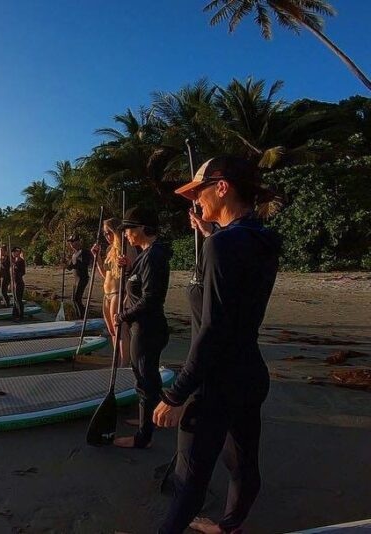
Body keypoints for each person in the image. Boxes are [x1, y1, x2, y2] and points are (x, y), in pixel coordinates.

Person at [153, 157, 281, 534]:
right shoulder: (259, 240)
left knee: (188, 480)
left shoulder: (223, 247)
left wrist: (176, 395)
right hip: (249, 374)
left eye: (199, 192)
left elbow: (212, 331)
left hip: (215, 382)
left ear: (222, 187)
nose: (195, 203)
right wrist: (213, 233)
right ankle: (230, 527)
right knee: (242, 465)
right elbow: (237, 293)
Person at [111, 206, 172, 449]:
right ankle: (148, 417)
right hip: (144, 327)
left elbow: (150, 299)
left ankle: (143, 437)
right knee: (148, 379)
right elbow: (139, 285)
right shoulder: (146, 254)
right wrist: (130, 266)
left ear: (144, 229)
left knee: (145, 381)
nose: (125, 234)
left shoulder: (154, 256)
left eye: (129, 229)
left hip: (147, 328)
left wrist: (122, 315)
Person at [92, 218, 137, 366]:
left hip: (119, 293)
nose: (106, 236)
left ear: (116, 231)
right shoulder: (110, 250)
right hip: (107, 293)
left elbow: (134, 271)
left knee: (120, 330)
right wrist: (97, 258)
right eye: (104, 234)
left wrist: (127, 264)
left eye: (109, 233)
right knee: (112, 331)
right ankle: (116, 361)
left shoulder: (127, 247)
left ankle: (124, 364)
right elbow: (106, 274)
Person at [66, 234, 94, 319]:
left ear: (78, 242)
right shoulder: (74, 254)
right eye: (71, 243)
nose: (72, 245)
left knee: (77, 299)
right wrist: (65, 264)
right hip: (76, 279)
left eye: (74, 242)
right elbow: (71, 267)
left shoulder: (84, 252)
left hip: (83, 278)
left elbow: (84, 264)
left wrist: (74, 265)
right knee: (73, 299)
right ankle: (79, 316)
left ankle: (83, 317)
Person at [11, 246, 26, 321]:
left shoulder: (21, 261)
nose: (13, 253)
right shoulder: (14, 261)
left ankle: (21, 316)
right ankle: (15, 314)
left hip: (19, 283)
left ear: (18, 252)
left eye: (14, 252)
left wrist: (16, 270)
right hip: (14, 283)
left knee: (18, 299)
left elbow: (23, 272)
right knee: (15, 299)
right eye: (12, 252)